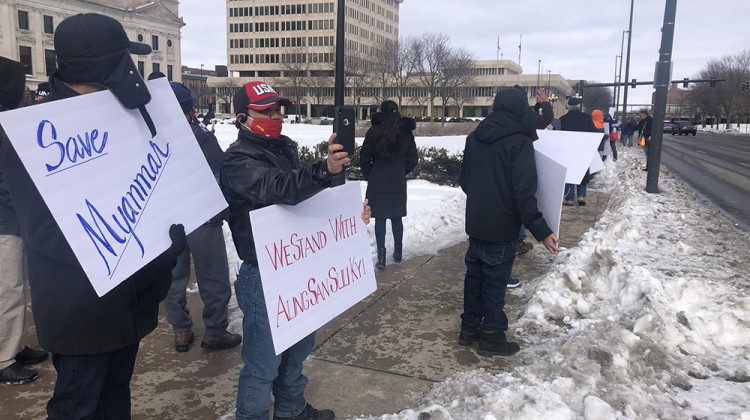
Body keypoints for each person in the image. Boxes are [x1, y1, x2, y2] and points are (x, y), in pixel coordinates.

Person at [0, 13, 185, 416]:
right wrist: (131, 247)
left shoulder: (126, 114)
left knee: (116, 394)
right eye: (124, 59)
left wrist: (163, 236)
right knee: (77, 404)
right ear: (105, 65)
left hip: (131, 296)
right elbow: (44, 230)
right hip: (81, 306)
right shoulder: (31, 134)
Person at [221, 81, 365, 419]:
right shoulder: (238, 161)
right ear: (243, 118)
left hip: (298, 270)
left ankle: (292, 410)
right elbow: (281, 189)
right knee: (261, 368)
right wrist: (322, 170)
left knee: (296, 353)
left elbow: (303, 201)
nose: (276, 116)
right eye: (266, 110)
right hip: (264, 277)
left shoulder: (282, 149)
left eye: (278, 109)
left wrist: (347, 214)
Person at [458, 87, 560, 357]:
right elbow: (524, 193)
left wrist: (483, 199)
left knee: (474, 278)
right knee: (494, 282)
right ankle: (491, 335)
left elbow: (464, 181)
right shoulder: (519, 142)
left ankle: (468, 329)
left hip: (476, 223)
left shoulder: (474, 137)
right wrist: (542, 231)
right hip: (502, 226)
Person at [164, 82, 241, 353]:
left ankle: (181, 331)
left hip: (167, 221)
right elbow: (220, 175)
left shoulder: (150, 139)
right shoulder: (202, 137)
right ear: (190, 110)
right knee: (213, 276)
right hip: (202, 217)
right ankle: (215, 332)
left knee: (174, 277)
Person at [0, 57, 49, 386]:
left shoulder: (9, 120)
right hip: (5, 220)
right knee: (8, 290)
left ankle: (11, 347)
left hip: (15, 218)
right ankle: (3, 359)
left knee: (16, 287)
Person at [360, 100, 418, 270]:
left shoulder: (374, 131)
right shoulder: (407, 133)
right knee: (396, 217)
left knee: (380, 218)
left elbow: (364, 157)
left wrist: (370, 174)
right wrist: (401, 170)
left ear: (381, 112)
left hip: (377, 179)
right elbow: (413, 160)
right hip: (397, 180)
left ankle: (381, 257)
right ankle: (398, 254)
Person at [517, 87, 555, 256]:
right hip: (520, 166)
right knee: (520, 201)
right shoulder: (527, 118)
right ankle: (517, 240)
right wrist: (545, 103)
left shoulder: (492, 122)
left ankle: (518, 238)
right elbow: (546, 118)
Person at [559, 97, 598, 206]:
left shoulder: (562, 119)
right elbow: (594, 132)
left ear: (569, 106)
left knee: (569, 174)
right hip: (583, 151)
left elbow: (556, 134)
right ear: (579, 106)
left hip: (567, 151)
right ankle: (581, 196)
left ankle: (569, 198)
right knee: (582, 172)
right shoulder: (587, 118)